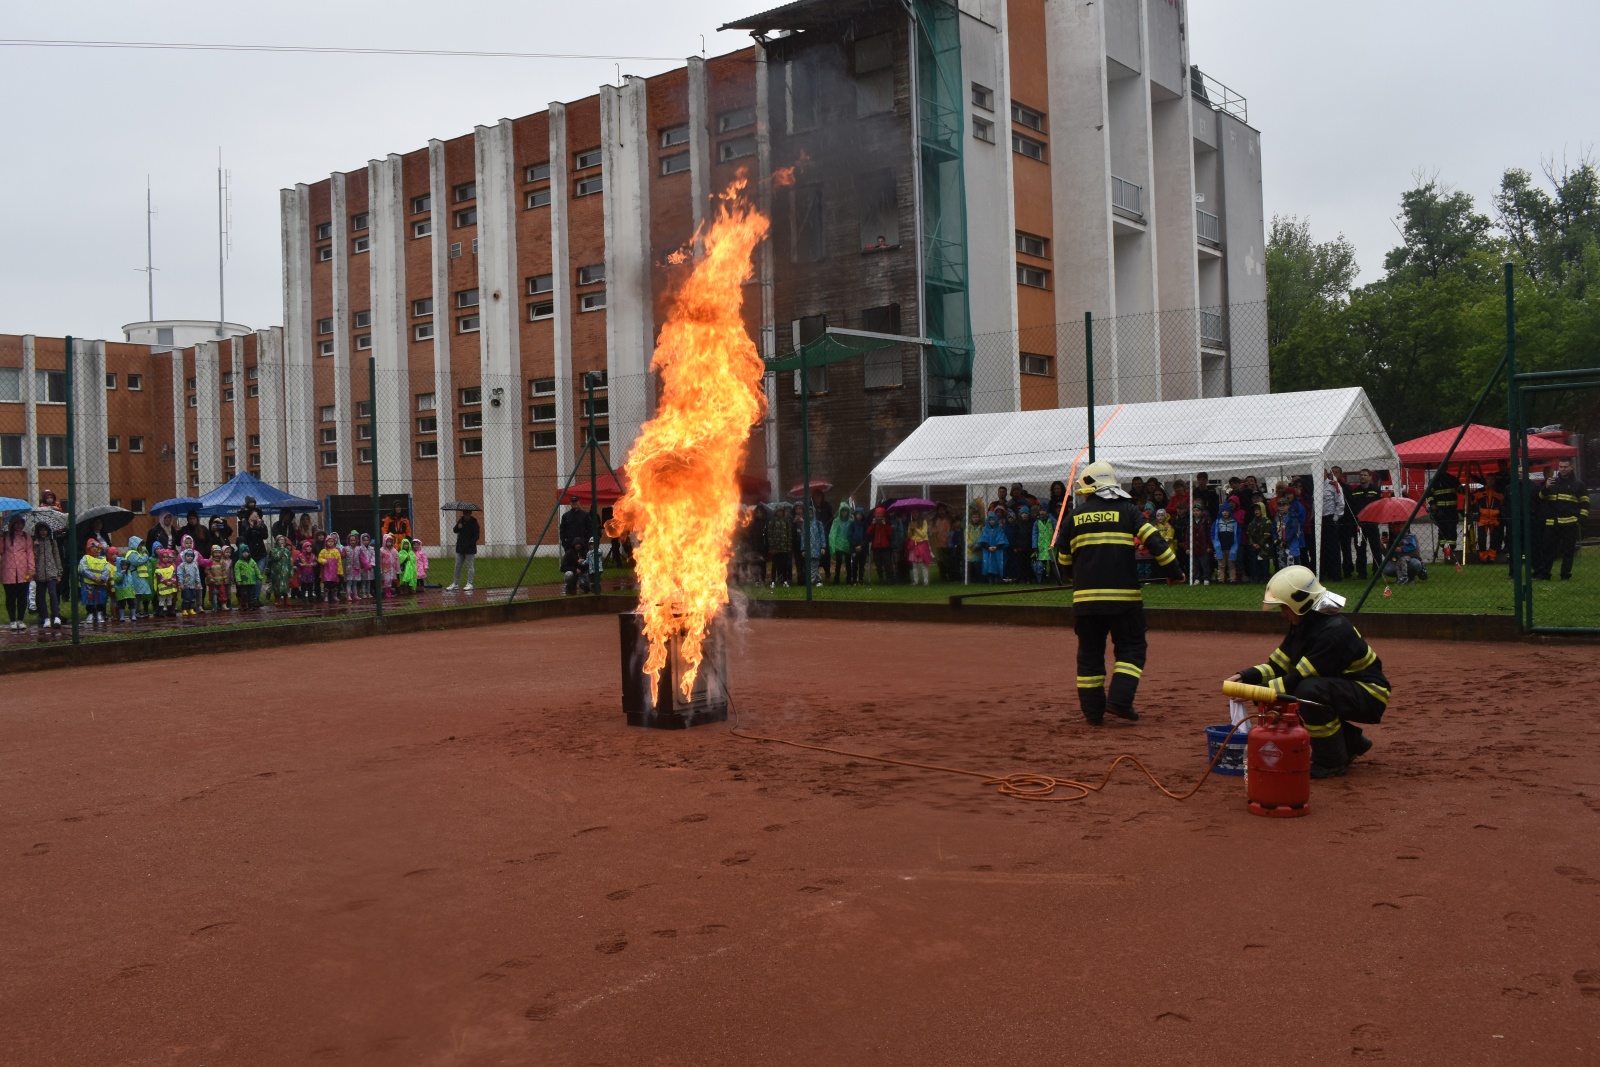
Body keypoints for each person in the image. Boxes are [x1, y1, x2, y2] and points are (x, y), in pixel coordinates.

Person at [1227, 565, 1391, 778]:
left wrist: (1255, 692)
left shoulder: (1333, 632)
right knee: (1302, 694)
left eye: (1284, 607)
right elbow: (1278, 666)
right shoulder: (1306, 623)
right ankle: (1350, 743)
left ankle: (1331, 762)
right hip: (1349, 689)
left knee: (1307, 692)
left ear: (1301, 602)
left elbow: (1296, 680)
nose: (1282, 614)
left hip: (1370, 694)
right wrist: (1245, 676)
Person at [1057, 460, 1180, 725]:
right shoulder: (1128, 511)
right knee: (1131, 649)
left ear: (1089, 489)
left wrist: (1074, 578)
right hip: (1124, 600)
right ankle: (1120, 701)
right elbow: (1155, 541)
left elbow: (1064, 561)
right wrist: (1174, 571)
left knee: (1089, 654)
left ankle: (1093, 713)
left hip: (1086, 602)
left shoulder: (1073, 517)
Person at [1534, 458, 1588, 580]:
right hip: (1552, 524)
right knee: (1547, 550)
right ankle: (1544, 574)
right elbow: (1541, 498)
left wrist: (1580, 520)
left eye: (1565, 467)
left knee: (1568, 552)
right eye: (1561, 467)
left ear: (1571, 467)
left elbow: (1585, 504)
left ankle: (1565, 575)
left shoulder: (1579, 485)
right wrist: (1545, 488)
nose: (1563, 469)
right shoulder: (1552, 482)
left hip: (1569, 523)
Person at [1345, 469, 1383, 578]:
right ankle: (1362, 573)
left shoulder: (1375, 491)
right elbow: (1351, 508)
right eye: (1361, 475)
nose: (1362, 477)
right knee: (1360, 549)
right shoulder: (1355, 491)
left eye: (1365, 475)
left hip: (1372, 523)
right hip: (1359, 525)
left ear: (1370, 477)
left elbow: (1380, 507)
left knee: (1375, 548)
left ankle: (1377, 572)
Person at [2, 515, 34, 630]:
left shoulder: (26, 537)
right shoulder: (5, 536)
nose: (19, 526)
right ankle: (12, 620)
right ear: (12, 524)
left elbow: (30, 553)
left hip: (23, 570)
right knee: (10, 596)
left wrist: (31, 569)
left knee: (22, 596)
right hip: (8, 570)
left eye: (21, 523)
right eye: (17, 523)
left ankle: (20, 619)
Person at [31, 520, 64, 628]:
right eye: (41, 530)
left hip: (51, 572)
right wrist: (35, 547)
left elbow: (57, 557)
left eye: (45, 530)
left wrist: (59, 572)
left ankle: (56, 616)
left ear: (48, 531)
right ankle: (45, 617)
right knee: (41, 596)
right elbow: (34, 558)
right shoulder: (35, 543)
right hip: (39, 573)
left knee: (53, 594)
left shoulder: (52, 542)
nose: (43, 532)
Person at [1427, 468, 1463, 562]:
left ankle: (1451, 551)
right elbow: (1429, 494)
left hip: (1451, 509)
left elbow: (1460, 489)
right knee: (1443, 531)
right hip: (1440, 511)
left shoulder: (1452, 479)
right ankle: (1446, 552)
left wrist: (1464, 489)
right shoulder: (1433, 480)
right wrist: (1432, 504)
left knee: (1451, 529)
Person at [446, 507, 480, 592]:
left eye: (468, 514)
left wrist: (470, 543)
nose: (466, 516)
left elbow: (476, 536)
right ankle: (455, 583)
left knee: (470, 566)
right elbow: (455, 530)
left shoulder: (474, 523)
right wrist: (459, 526)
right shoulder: (461, 521)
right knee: (457, 566)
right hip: (460, 547)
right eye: (465, 514)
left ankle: (469, 583)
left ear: (470, 514)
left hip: (470, 549)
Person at [1213, 498, 1241, 584]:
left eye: (1227, 511)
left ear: (1230, 512)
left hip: (1231, 547)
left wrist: (1236, 544)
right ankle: (1220, 579)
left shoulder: (1234, 522)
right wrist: (1215, 543)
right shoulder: (1217, 522)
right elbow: (1212, 533)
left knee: (1231, 564)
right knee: (1221, 564)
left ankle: (1232, 579)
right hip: (1220, 547)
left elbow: (1238, 534)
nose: (1225, 513)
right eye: (1223, 511)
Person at [977, 511, 1009, 584]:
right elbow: (982, 540)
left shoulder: (999, 530)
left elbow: (1002, 539)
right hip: (987, 550)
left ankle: (997, 578)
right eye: (990, 520)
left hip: (997, 551)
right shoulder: (985, 530)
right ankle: (989, 578)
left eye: (993, 519)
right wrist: (988, 547)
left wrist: (996, 547)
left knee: (997, 563)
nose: (991, 521)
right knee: (988, 563)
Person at [112, 545, 139, 622]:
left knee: (132, 603)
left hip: (129, 590)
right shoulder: (117, 573)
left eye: (126, 565)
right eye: (123, 565)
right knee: (121, 604)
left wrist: (133, 589)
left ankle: (133, 615)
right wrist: (121, 574)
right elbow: (117, 580)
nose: (125, 567)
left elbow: (131, 581)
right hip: (121, 591)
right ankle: (121, 616)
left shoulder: (129, 572)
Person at [266, 534, 293, 608]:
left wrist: (291, 572)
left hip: (285, 571)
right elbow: (276, 557)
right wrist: (281, 549)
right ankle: (277, 600)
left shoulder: (287, 551)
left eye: (283, 540)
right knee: (276, 585)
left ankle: (286, 599)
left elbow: (290, 562)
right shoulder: (274, 550)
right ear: (277, 541)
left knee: (285, 585)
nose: (282, 541)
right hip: (276, 571)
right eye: (280, 540)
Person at [176, 547, 204, 617]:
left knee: (193, 597)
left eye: (191, 556)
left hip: (193, 585)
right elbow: (180, 574)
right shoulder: (182, 565)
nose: (190, 557)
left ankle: (191, 608)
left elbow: (197, 574)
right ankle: (184, 609)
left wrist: (198, 582)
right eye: (188, 556)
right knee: (186, 597)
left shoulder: (194, 565)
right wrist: (181, 583)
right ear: (184, 556)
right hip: (185, 585)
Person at [319, 534, 345, 602]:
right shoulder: (323, 551)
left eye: (332, 541)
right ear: (326, 542)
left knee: (334, 584)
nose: (330, 543)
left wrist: (340, 571)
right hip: (326, 571)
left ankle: (334, 596)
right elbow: (319, 558)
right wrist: (324, 561)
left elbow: (339, 562)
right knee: (326, 584)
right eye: (329, 541)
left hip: (334, 571)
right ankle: (326, 596)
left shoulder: (336, 551)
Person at [205, 546, 229, 611]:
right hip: (212, 581)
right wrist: (210, 578)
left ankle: (223, 605)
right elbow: (207, 571)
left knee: (222, 592)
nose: (217, 554)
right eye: (216, 553)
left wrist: (225, 577)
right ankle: (214, 605)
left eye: (219, 553)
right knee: (212, 594)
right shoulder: (209, 561)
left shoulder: (222, 561)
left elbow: (224, 570)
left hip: (220, 581)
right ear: (212, 553)